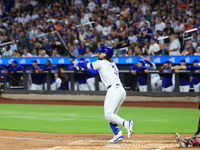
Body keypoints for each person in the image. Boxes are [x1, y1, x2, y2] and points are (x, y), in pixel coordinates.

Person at [72, 46, 133, 143]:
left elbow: (88, 65)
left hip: (114, 90)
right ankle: (118, 134)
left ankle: (126, 123)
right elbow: (95, 72)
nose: (98, 54)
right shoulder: (110, 63)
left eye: (100, 52)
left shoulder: (102, 62)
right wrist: (81, 68)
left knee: (108, 115)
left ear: (105, 54)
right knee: (112, 116)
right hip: (120, 90)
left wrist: (77, 63)